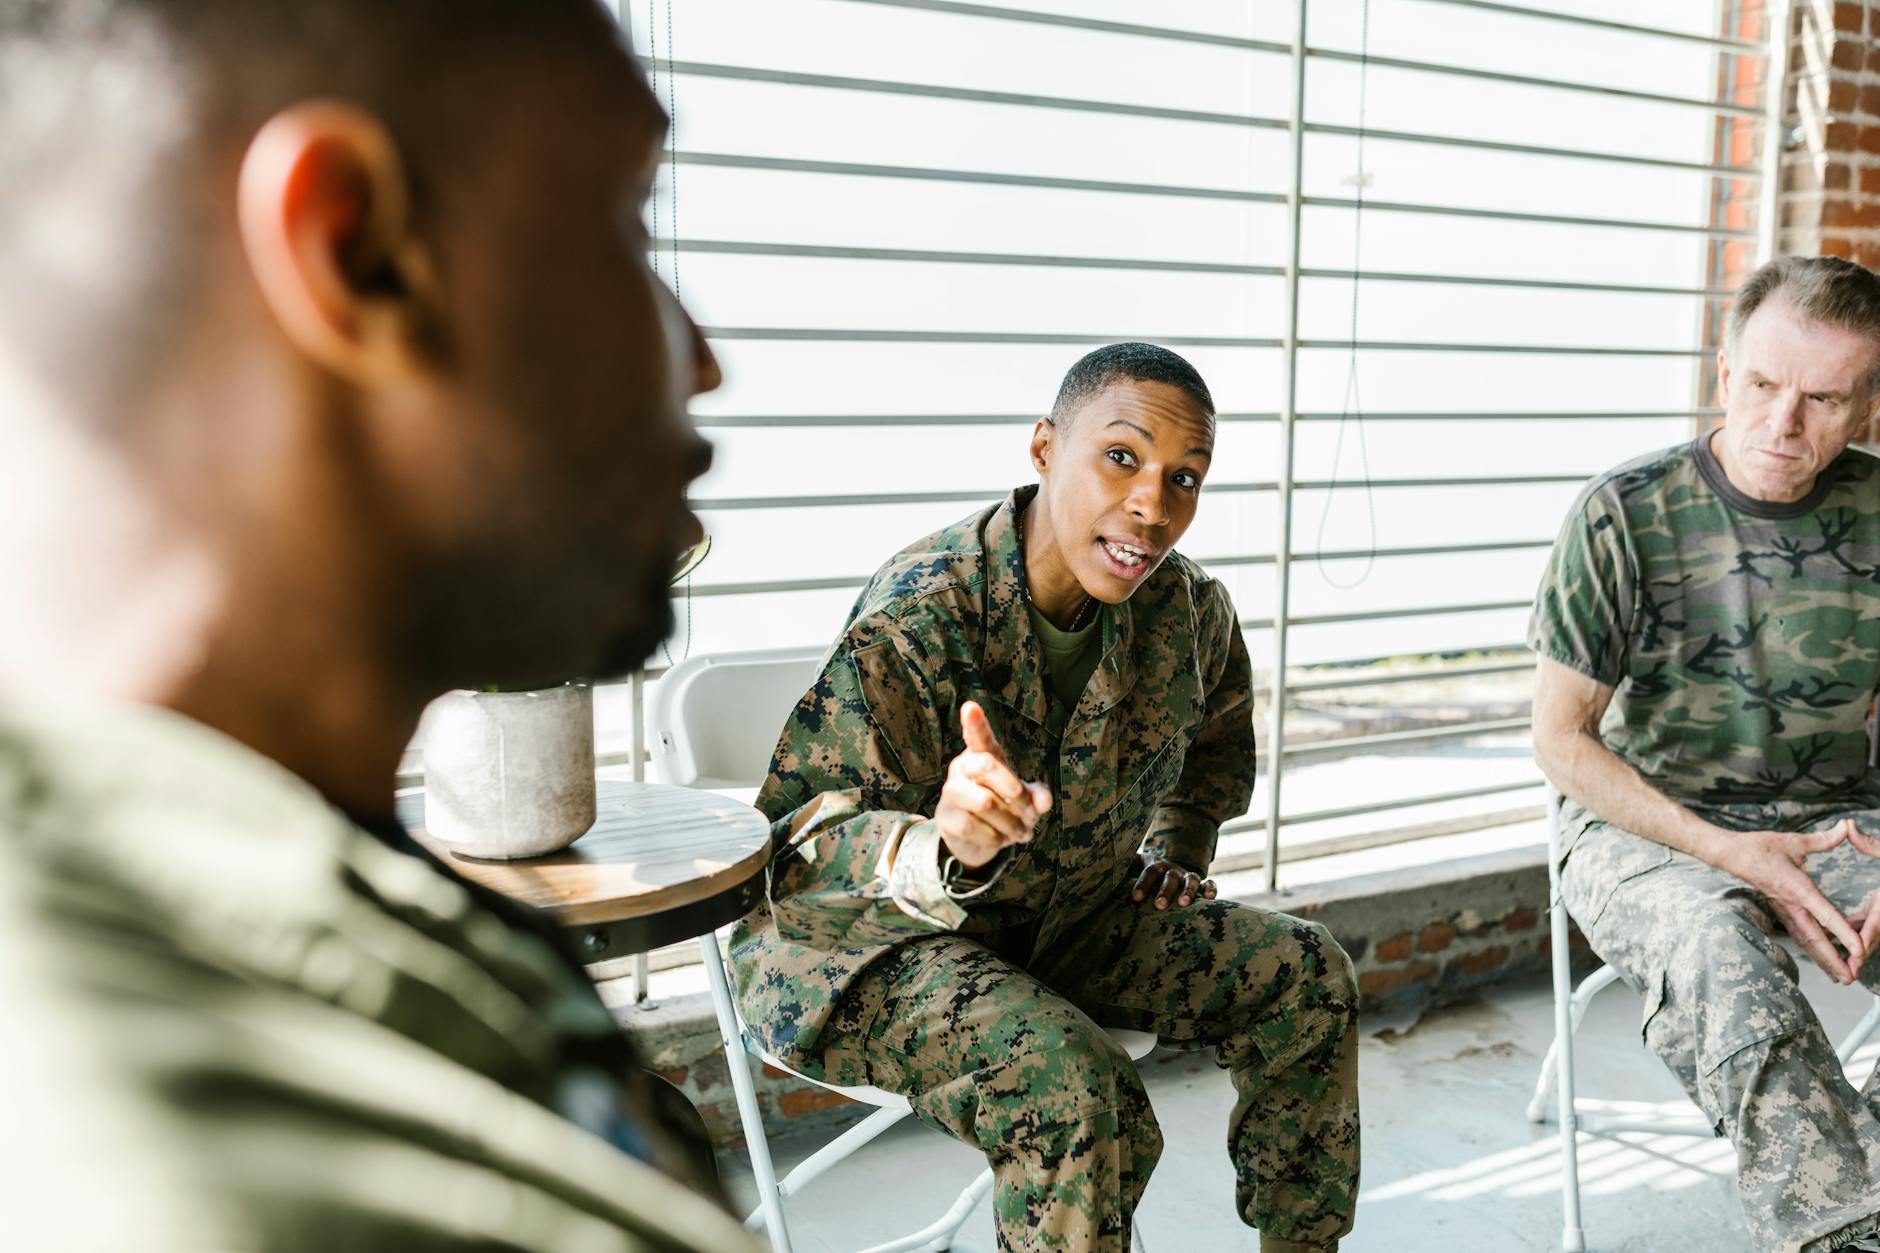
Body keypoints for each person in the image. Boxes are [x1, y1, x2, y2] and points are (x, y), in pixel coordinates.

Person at [0, 2, 757, 1249]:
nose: (702, 357)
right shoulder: (208, 1157)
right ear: (361, 252)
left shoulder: (322, 937)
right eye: (626, 220)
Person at [730, 343, 1362, 1253]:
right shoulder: (922, 613)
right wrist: (936, 845)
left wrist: (1179, 847)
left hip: (1065, 922)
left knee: (1307, 974)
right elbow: (795, 862)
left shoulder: (1187, 613)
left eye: (1184, 477)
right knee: (1074, 1083)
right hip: (870, 952)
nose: (1153, 504)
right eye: (1121, 457)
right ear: (1043, 449)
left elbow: (1217, 735)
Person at [1532, 255, 1880, 1252]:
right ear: (1724, 372)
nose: (1783, 422)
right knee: (1718, 950)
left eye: (1823, 399)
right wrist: (1733, 854)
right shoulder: (1622, 512)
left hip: (1834, 814)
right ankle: (1845, 1230)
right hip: (1647, 825)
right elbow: (1559, 739)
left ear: (1864, 407)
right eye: (1762, 384)